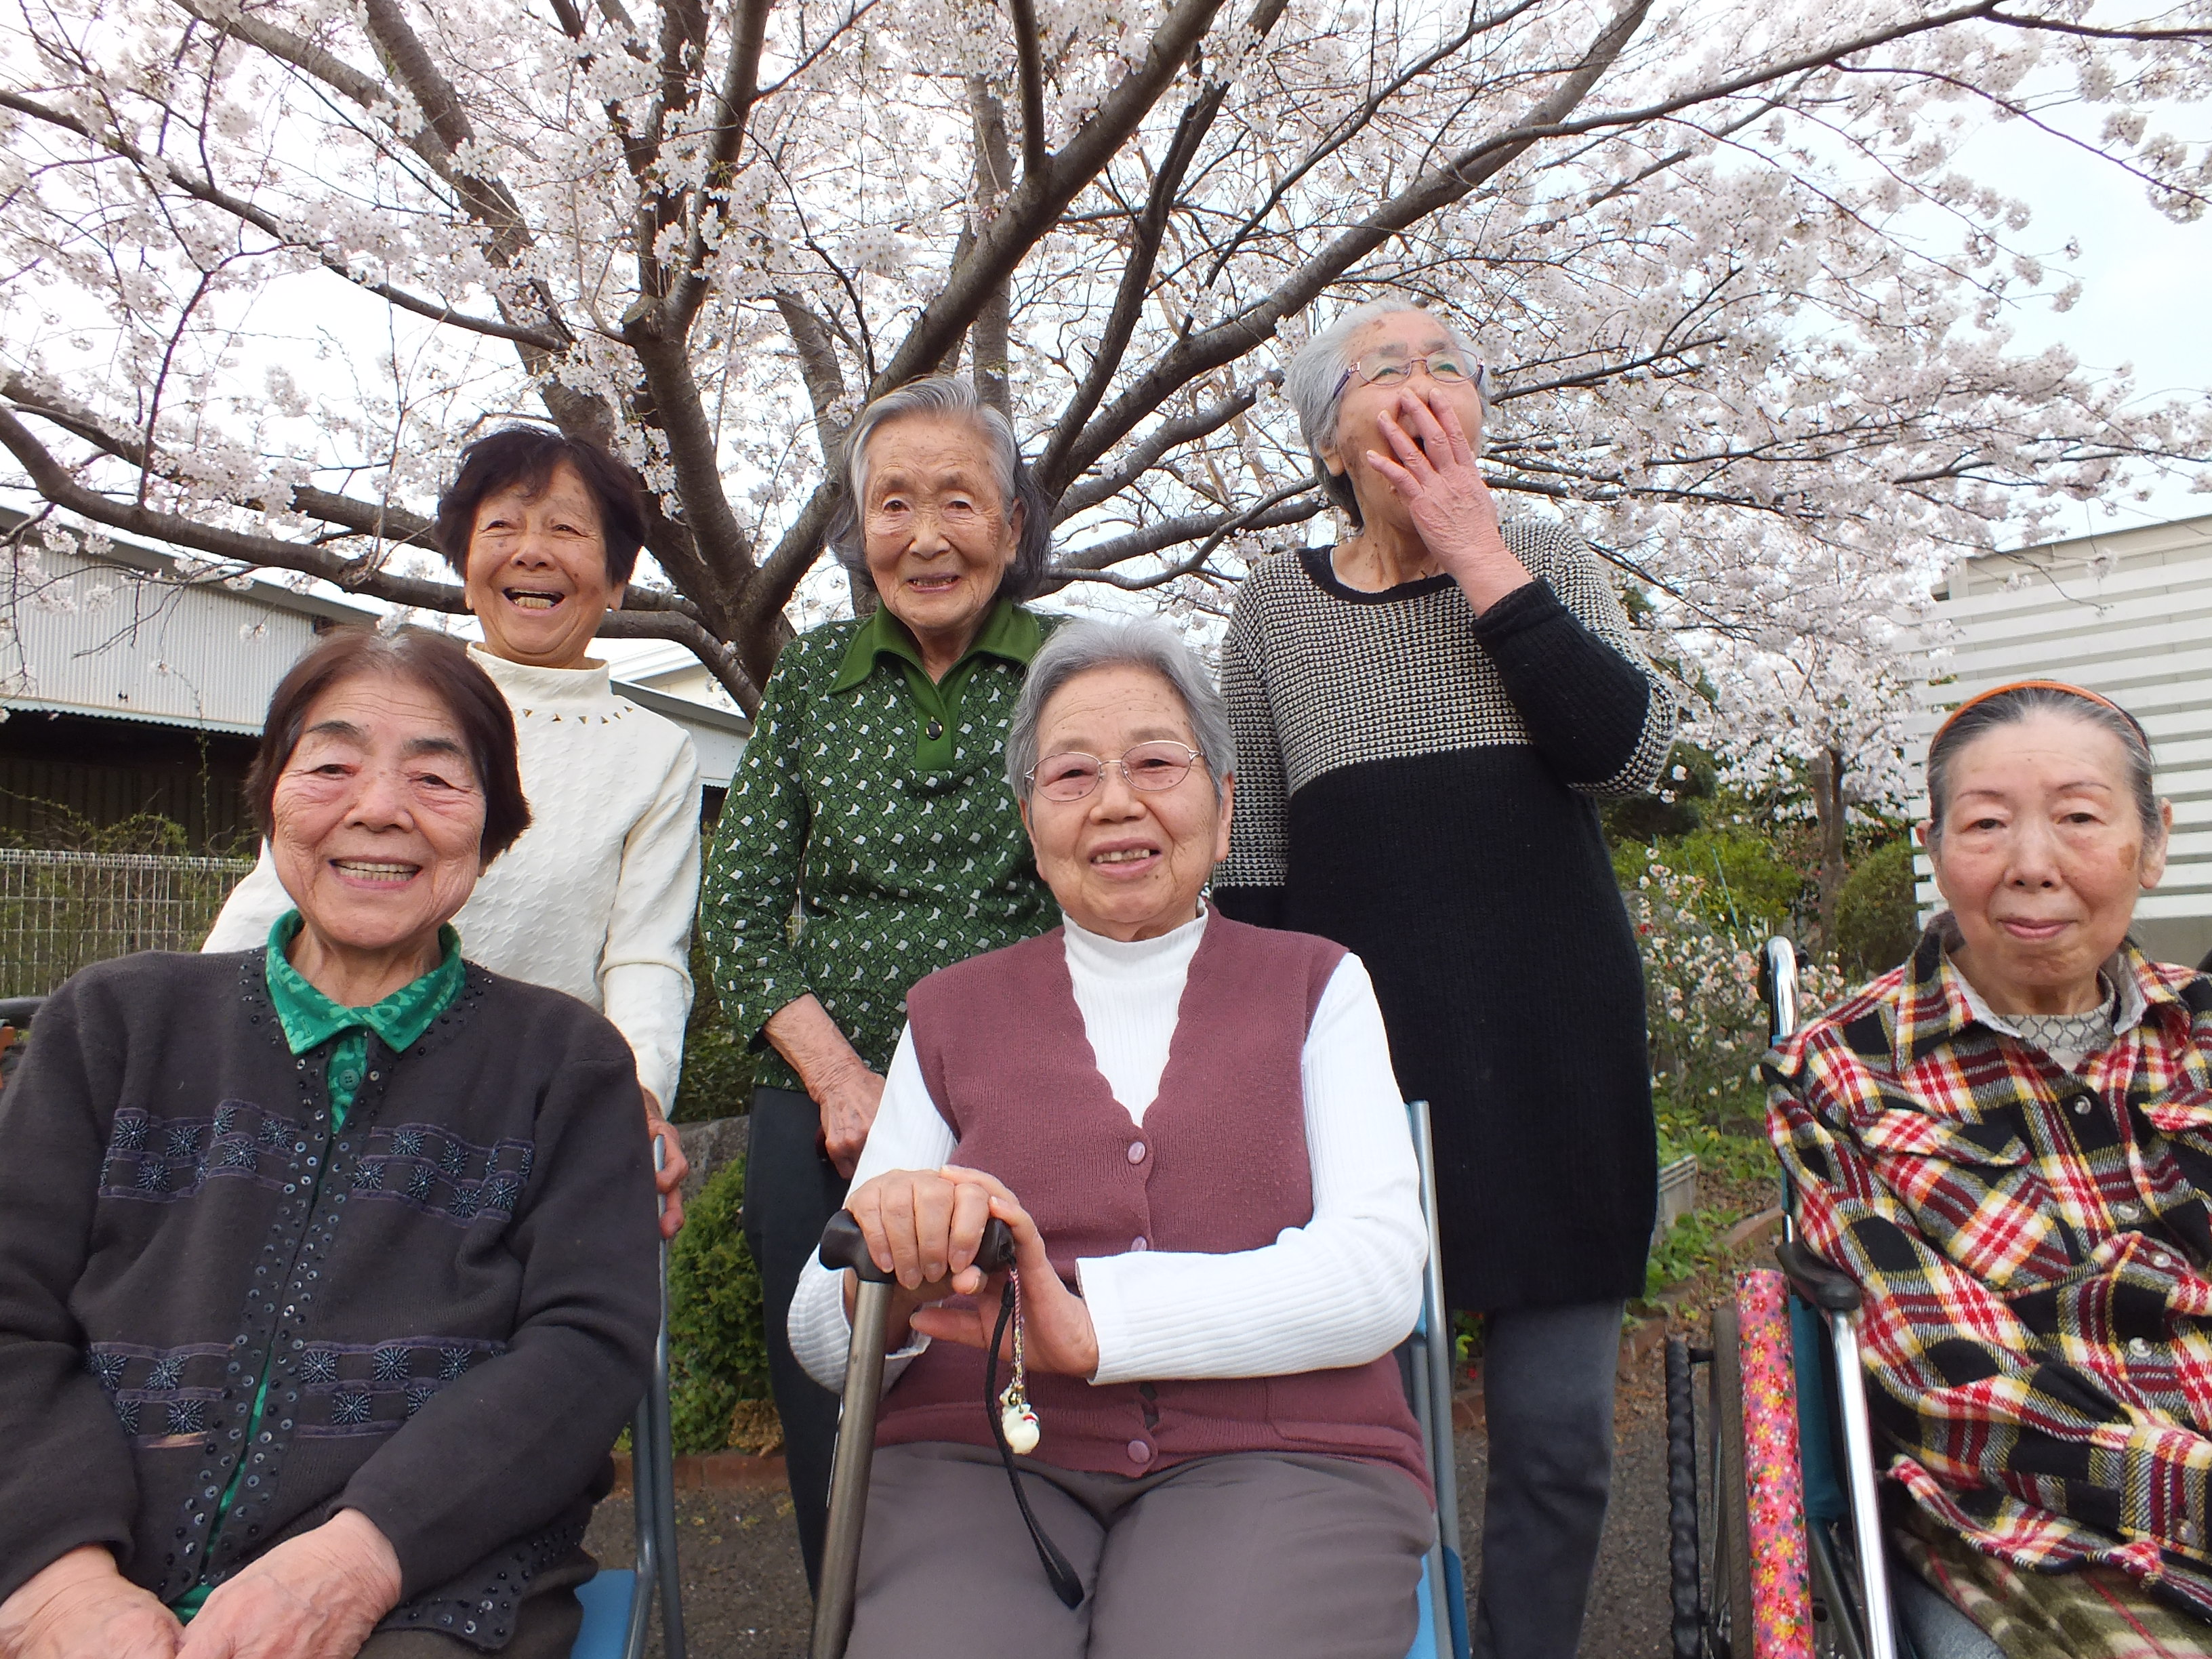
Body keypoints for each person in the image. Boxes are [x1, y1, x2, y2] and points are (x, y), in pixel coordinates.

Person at [0, 628, 659, 1659]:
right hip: (76, 1546)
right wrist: (61, 1580)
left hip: (427, 1572)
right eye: (333, 767)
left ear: (494, 828)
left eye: (435, 777)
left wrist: (356, 1562)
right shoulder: (115, 1024)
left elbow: (585, 1349)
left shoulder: (566, 1064)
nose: (380, 808)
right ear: (273, 799)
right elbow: (10, 1310)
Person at [789, 616, 1433, 1658]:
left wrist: (1099, 1329)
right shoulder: (949, 1015)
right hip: (980, 1460)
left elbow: (1376, 1277)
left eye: (1156, 763)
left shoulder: (1319, 986)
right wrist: (896, 1275)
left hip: (1286, 1456)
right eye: (1072, 773)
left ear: (1225, 807)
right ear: (1030, 821)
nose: (1117, 802)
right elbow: (824, 1334)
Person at [1212, 299, 1677, 1657]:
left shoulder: (1544, 556)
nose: (1423, 384)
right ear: (1328, 439)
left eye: (1449, 366)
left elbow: (1628, 758)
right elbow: (1252, 857)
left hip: (1553, 1057)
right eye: (1385, 369)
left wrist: (1478, 553)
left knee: (1558, 1441)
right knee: (1370, 1447)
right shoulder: (1274, 608)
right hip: (1361, 1071)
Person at [700, 375, 1061, 1586]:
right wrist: (841, 1078)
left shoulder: (1071, 666)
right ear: (858, 531)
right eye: (892, 503)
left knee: (1020, 1392)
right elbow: (738, 910)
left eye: (959, 499)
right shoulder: (813, 675)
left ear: (1013, 523)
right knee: (834, 1427)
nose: (924, 534)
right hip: (825, 1106)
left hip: (1028, 1092)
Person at [1769, 680, 2212, 1659]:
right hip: (2044, 1529)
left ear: (2155, 843)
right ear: (1933, 850)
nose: (2032, 866)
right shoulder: (1843, 1073)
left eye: (2080, 818)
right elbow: (1949, 1379)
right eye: (1985, 825)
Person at [205, 427, 697, 1234]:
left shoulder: (655, 751)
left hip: (524, 1107)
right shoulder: (386, 700)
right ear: (466, 571)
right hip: (315, 1082)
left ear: (618, 578)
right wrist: (201, 1039)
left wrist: (632, 1095)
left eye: (566, 529)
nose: (531, 551)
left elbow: (645, 953)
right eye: (502, 527)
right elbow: (276, 893)